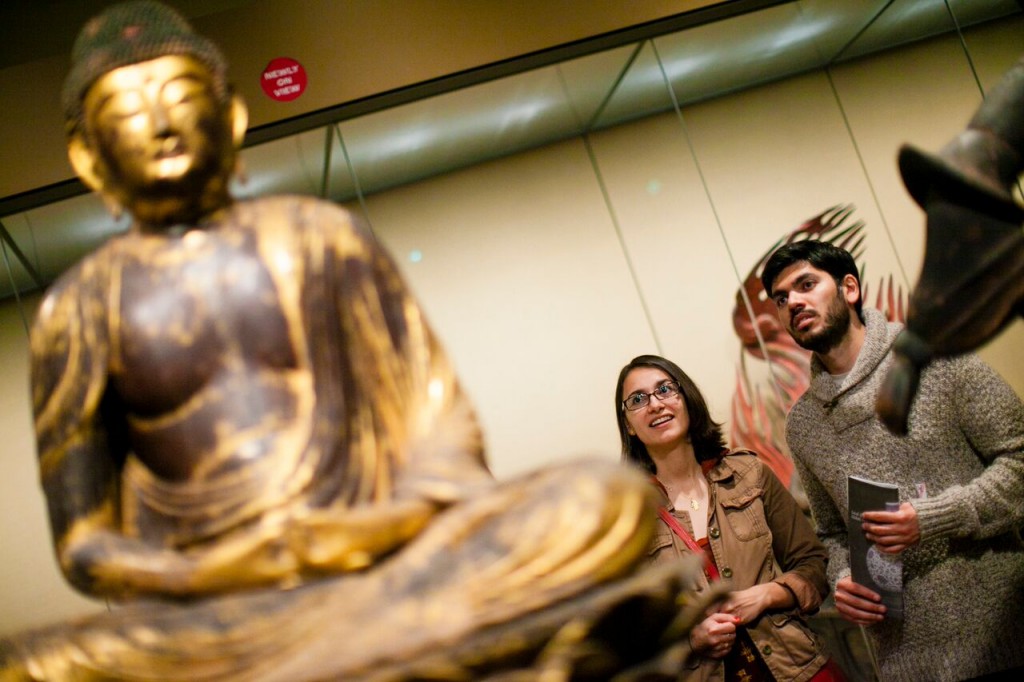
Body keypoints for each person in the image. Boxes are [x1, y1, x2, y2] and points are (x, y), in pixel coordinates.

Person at [0, 3, 710, 679]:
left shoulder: (321, 239)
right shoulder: (78, 309)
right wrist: (218, 571)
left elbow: (442, 430)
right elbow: (86, 544)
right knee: (28, 665)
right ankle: (416, 652)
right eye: (126, 112)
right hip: (218, 606)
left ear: (232, 113)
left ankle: (358, 652)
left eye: (180, 97)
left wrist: (368, 532)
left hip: (376, 560)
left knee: (599, 501)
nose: (159, 125)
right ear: (88, 157)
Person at [760, 239, 1024, 681]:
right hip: (903, 660)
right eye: (782, 298)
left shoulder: (938, 359)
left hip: (1004, 635)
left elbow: (1019, 458)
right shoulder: (803, 424)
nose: (793, 303)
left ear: (849, 288)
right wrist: (845, 578)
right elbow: (832, 532)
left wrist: (934, 517)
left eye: (806, 285)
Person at [615, 354, 841, 682]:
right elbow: (627, 632)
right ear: (628, 426)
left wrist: (765, 595)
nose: (655, 404)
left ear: (686, 399)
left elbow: (814, 564)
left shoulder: (749, 473)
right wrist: (689, 640)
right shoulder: (627, 520)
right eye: (638, 399)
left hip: (797, 667)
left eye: (665, 389)